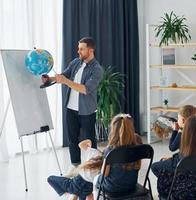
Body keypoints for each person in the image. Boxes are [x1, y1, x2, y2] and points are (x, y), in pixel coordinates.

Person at [42, 37, 103, 166]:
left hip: (87, 111)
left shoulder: (97, 69)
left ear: (90, 50)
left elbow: (85, 89)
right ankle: (75, 166)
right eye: (78, 48)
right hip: (71, 108)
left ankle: (93, 166)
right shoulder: (76, 62)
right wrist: (49, 78)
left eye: (82, 49)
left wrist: (65, 81)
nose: (78, 51)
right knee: (72, 139)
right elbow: (63, 76)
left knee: (89, 141)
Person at [151, 116, 196, 199]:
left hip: (183, 195)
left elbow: (172, 150)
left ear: (186, 133)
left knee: (156, 167)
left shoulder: (185, 159)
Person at [93, 114, 143, 197]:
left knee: (95, 179)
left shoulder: (110, 150)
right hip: (131, 186)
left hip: (112, 189)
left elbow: (104, 174)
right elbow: (138, 166)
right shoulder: (137, 148)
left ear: (113, 130)